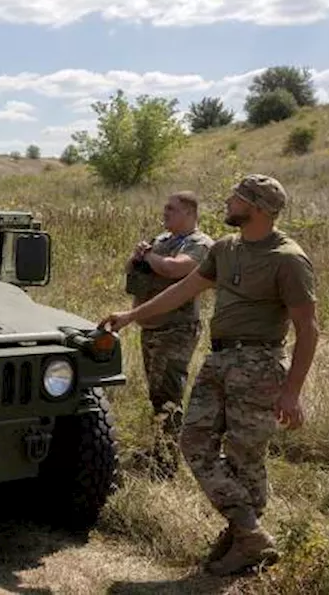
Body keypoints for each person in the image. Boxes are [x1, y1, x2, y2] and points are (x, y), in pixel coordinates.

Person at [99, 174, 319, 577]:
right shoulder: (225, 248)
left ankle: (243, 539)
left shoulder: (287, 258)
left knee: (245, 456)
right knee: (193, 440)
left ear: (256, 208)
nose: (227, 202)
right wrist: (131, 316)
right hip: (219, 360)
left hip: (260, 364)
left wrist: (292, 393)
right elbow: (183, 290)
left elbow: (309, 329)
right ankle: (248, 532)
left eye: (235, 199)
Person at [123, 191, 213, 478]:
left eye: (171, 209)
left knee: (169, 396)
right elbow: (132, 269)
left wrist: (149, 256)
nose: (165, 213)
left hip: (176, 329)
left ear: (189, 212)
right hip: (152, 328)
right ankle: (159, 451)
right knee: (157, 393)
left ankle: (166, 461)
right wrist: (137, 256)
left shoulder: (200, 244)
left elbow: (176, 269)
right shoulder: (161, 240)